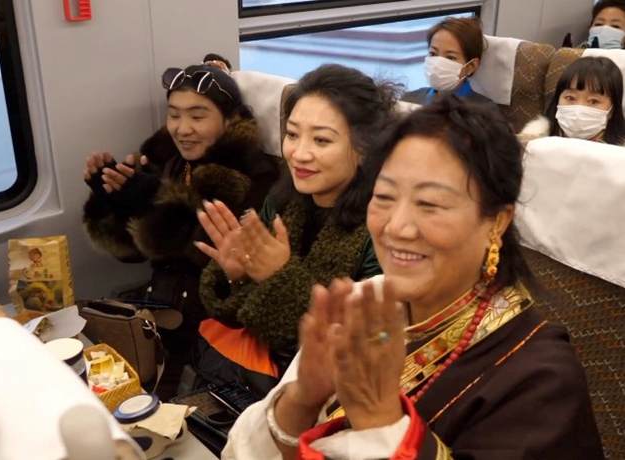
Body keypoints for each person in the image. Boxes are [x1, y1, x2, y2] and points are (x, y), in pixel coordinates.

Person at [222, 95, 605, 460]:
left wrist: (380, 422)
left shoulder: (540, 379)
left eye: (430, 204)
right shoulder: (365, 301)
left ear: (497, 222)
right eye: (384, 197)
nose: (396, 227)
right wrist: (303, 398)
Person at [192, 64, 399, 397]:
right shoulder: (282, 200)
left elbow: (361, 348)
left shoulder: (385, 229)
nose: (299, 154)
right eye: (292, 134)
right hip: (251, 383)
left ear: (364, 149)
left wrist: (280, 277)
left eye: (321, 140)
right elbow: (237, 315)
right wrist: (237, 276)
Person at [81, 54, 280, 398]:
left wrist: (153, 201)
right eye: (174, 115)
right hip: (157, 309)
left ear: (230, 119)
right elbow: (131, 255)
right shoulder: (169, 162)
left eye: (197, 116)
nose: (182, 129)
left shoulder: (253, 175)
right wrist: (113, 201)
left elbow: (212, 258)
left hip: (210, 321)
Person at [519, 56, 625, 145]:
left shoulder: (619, 155)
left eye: (593, 101)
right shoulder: (532, 142)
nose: (579, 108)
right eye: (570, 98)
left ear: (612, 110)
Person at [402, 17, 497, 110]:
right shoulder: (409, 101)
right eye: (433, 54)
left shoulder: (485, 111)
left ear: (471, 66)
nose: (437, 64)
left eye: (450, 58)